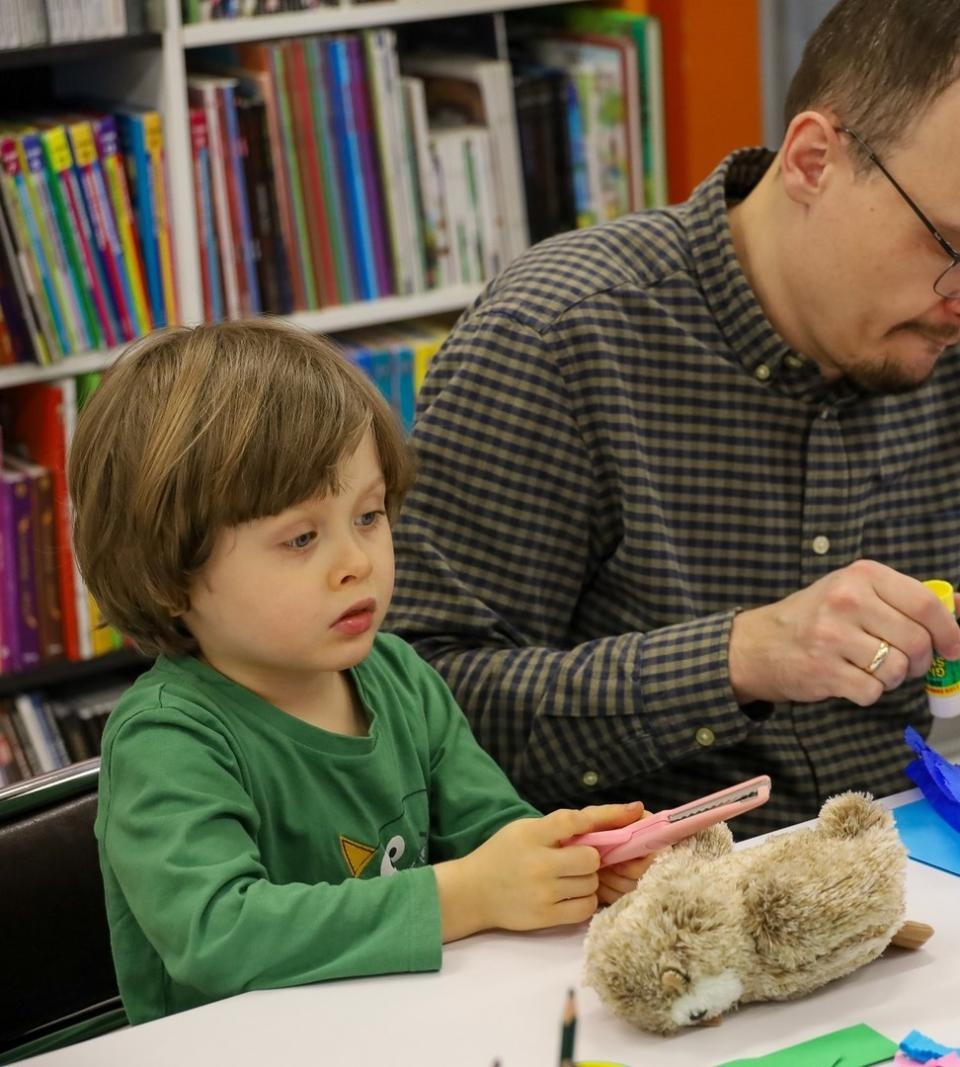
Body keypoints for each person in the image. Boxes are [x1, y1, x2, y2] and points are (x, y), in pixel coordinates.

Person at [389, 0, 960, 837]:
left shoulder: (947, 336)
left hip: (905, 882)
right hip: (634, 920)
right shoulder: (560, 340)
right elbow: (414, 714)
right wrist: (740, 658)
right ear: (813, 160)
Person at [69, 321, 650, 1025]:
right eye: (302, 537)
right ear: (170, 576)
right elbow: (218, 935)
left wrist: (571, 862)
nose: (358, 561)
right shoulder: (167, 738)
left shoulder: (397, 673)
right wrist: (464, 894)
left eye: (369, 515)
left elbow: (489, 829)